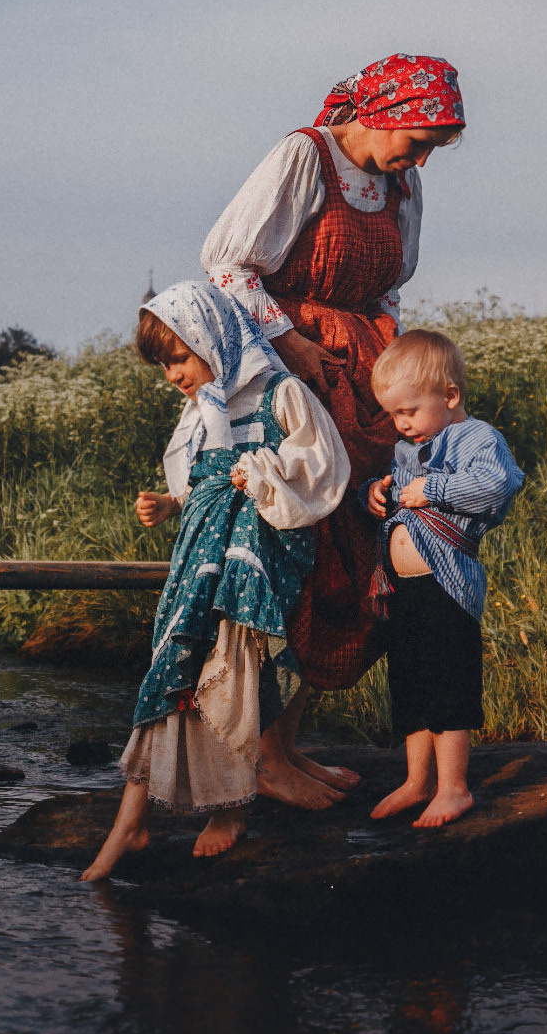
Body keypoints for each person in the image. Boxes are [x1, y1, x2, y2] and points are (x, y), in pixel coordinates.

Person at [200, 53, 466, 748]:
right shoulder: (306, 156)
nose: (422, 162)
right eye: (419, 143)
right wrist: (291, 342)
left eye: (433, 149)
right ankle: (261, 752)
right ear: (380, 116)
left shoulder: (400, 184)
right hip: (288, 376)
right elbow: (227, 263)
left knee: (367, 555)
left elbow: (385, 289)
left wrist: (399, 367)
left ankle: (287, 742)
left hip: (367, 377)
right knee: (300, 548)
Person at [82, 282, 351, 882]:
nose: (172, 374)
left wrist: (261, 471)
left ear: (213, 338)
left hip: (253, 557)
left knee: (232, 667)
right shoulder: (204, 408)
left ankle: (229, 805)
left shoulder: (280, 393)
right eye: (163, 365)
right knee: (176, 664)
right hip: (200, 561)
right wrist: (170, 505)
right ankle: (134, 818)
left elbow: (321, 467)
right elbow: (198, 479)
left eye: (178, 357)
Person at [363, 330, 524, 828]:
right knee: (409, 679)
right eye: (393, 414)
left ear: (449, 396)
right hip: (402, 587)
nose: (401, 423)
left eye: (409, 411)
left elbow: (499, 484)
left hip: (446, 584)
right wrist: (376, 492)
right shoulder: (409, 447)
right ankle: (417, 781)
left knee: (448, 680)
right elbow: (399, 491)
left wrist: (433, 488)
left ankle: (453, 787)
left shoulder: (478, 438)